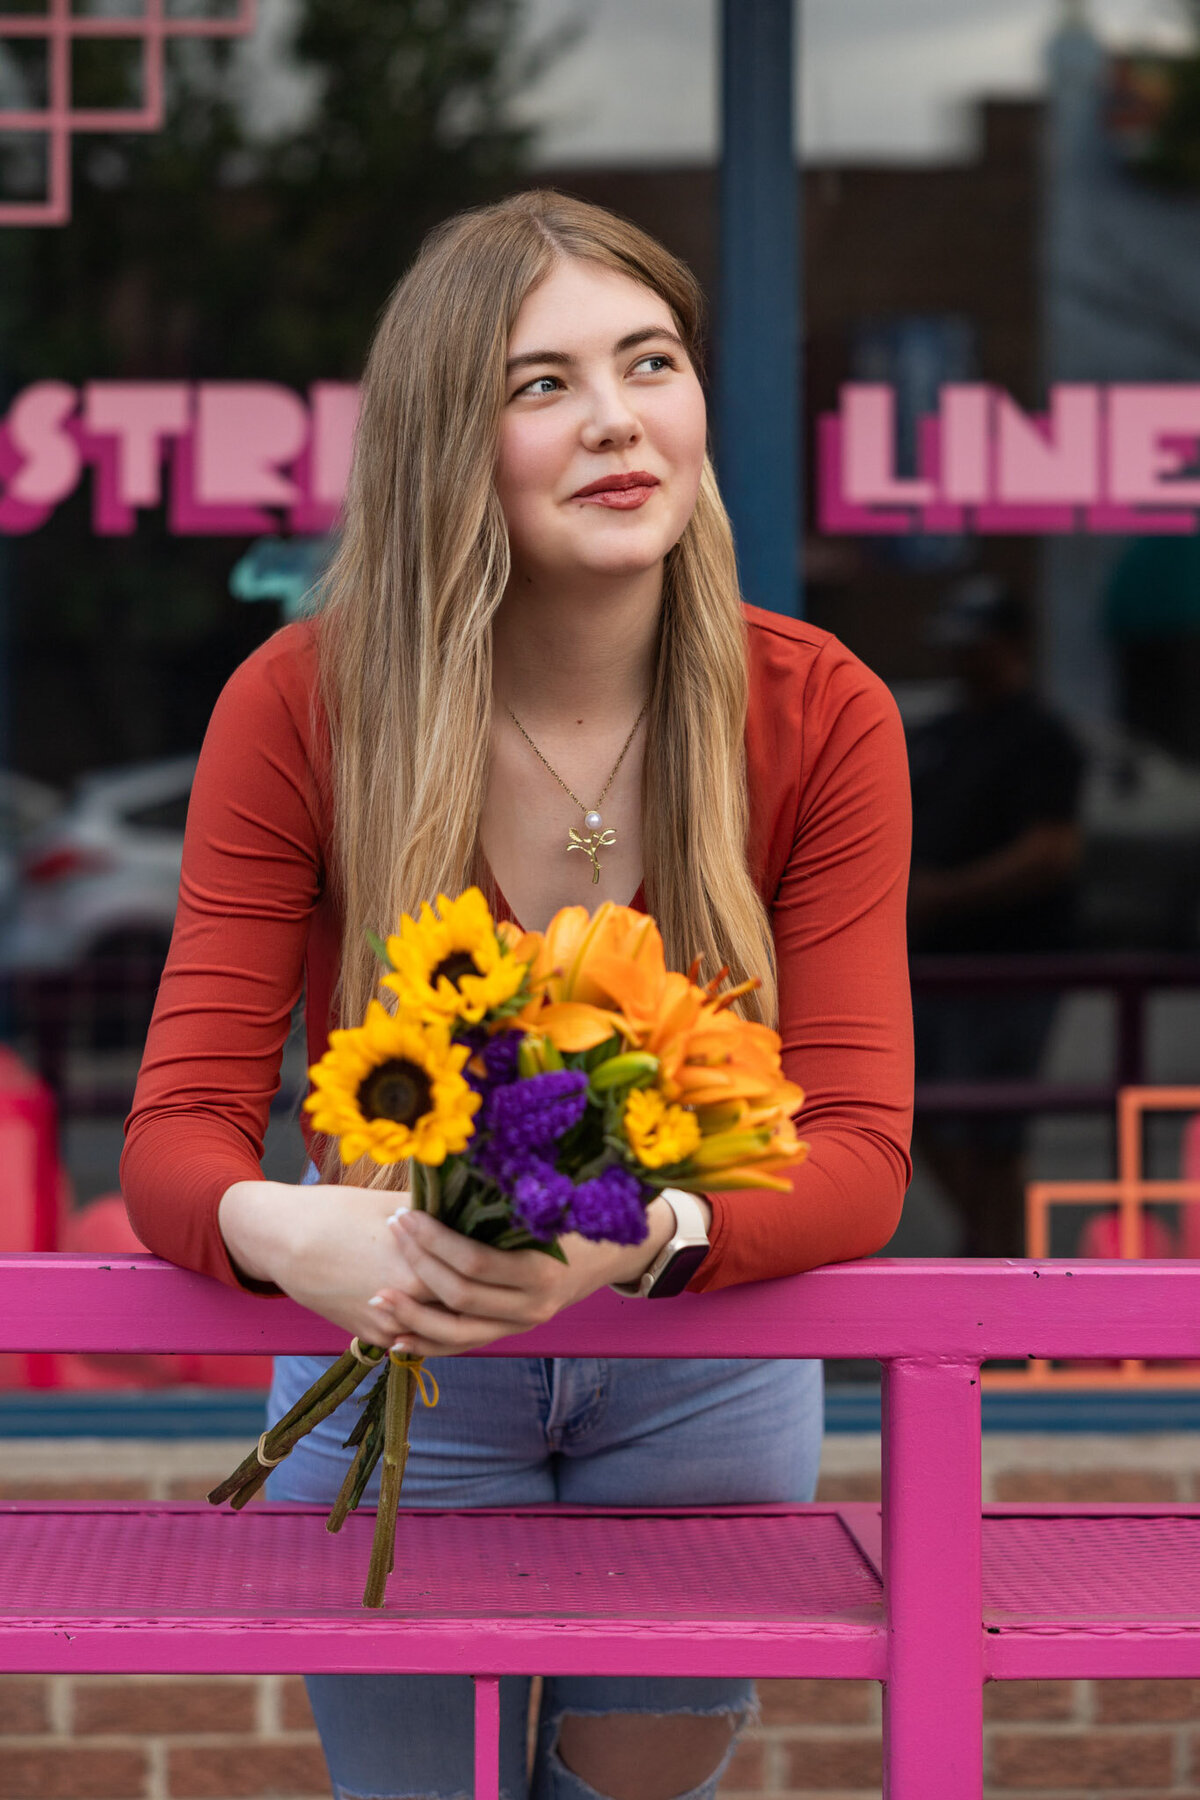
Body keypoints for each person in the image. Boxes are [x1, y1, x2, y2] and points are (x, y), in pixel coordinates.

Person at [121, 191, 913, 1800]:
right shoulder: (301, 708)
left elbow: (861, 1149)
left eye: (651, 361)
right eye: (539, 383)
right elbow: (175, 1135)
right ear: (446, 443)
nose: (618, 420)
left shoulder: (818, 712)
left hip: (704, 1368)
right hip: (398, 1351)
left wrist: (642, 1237)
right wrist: (296, 1236)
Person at [907, 573, 1085, 1260]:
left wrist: (939, 894)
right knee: (928, 1114)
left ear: (1011, 645)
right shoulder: (941, 733)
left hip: (1014, 963)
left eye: (975, 644)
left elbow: (1050, 854)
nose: (961, 658)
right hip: (934, 964)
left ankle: (1000, 1272)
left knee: (997, 1130)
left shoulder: (1042, 736)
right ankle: (989, 1254)